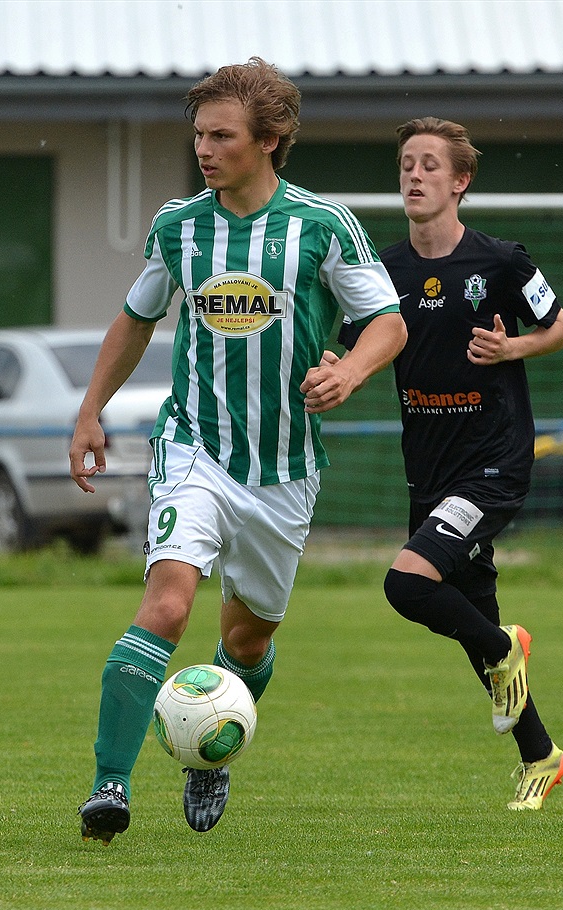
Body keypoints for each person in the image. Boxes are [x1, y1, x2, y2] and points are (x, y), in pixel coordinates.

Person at [69, 57, 406, 844]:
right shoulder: (179, 226)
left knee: (248, 638)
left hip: (285, 469)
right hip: (194, 446)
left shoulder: (322, 226)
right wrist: (91, 410)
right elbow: (135, 318)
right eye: (199, 134)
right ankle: (107, 786)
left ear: (271, 139)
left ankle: (209, 747)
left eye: (221, 135)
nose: (204, 149)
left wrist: (350, 369)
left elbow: (388, 320)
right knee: (169, 601)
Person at [337, 117, 563, 811]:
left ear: (460, 181)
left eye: (429, 165)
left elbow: (559, 326)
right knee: (473, 620)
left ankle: (506, 645)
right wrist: (334, 368)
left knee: (406, 584)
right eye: (406, 163)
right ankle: (541, 753)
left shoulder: (502, 262)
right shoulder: (381, 272)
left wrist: (512, 351)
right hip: (430, 470)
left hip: (494, 462)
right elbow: (355, 347)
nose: (414, 175)